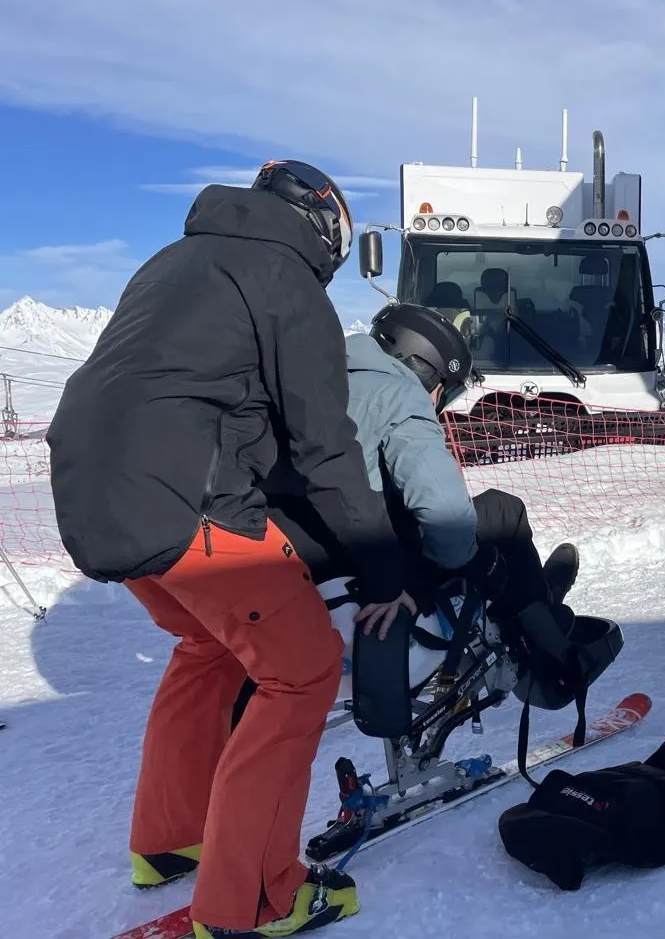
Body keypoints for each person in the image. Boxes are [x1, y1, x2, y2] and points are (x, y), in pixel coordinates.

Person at [46, 160, 416, 938]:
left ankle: (171, 839)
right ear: (326, 229)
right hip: (183, 502)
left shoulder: (174, 263)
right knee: (301, 671)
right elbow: (325, 446)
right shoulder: (287, 279)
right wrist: (383, 564)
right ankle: (258, 899)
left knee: (207, 644)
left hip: (88, 492)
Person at [259, 301, 579, 662]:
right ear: (423, 369)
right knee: (503, 511)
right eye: (445, 391)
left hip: (296, 557)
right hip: (369, 567)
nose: (439, 404)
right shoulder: (399, 393)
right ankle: (545, 630)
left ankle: (536, 599)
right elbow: (445, 512)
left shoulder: (317, 381)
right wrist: (477, 562)